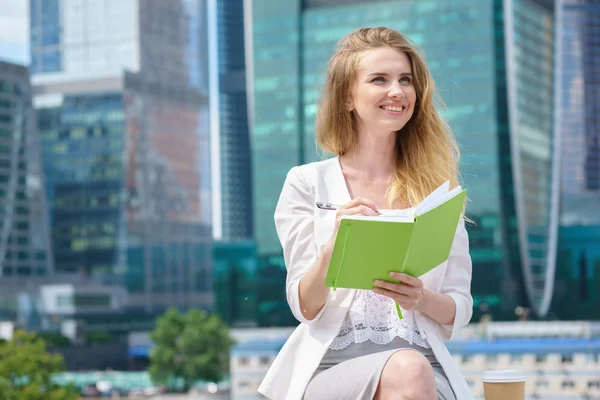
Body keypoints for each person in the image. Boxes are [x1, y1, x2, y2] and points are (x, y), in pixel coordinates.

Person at [258, 27, 474, 400]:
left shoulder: (439, 192)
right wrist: (334, 248)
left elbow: (461, 306)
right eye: (380, 79)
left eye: (405, 80)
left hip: (426, 368)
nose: (397, 91)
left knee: (411, 368)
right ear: (347, 98)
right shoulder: (306, 184)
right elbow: (304, 306)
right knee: (409, 370)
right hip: (332, 369)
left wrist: (421, 298)